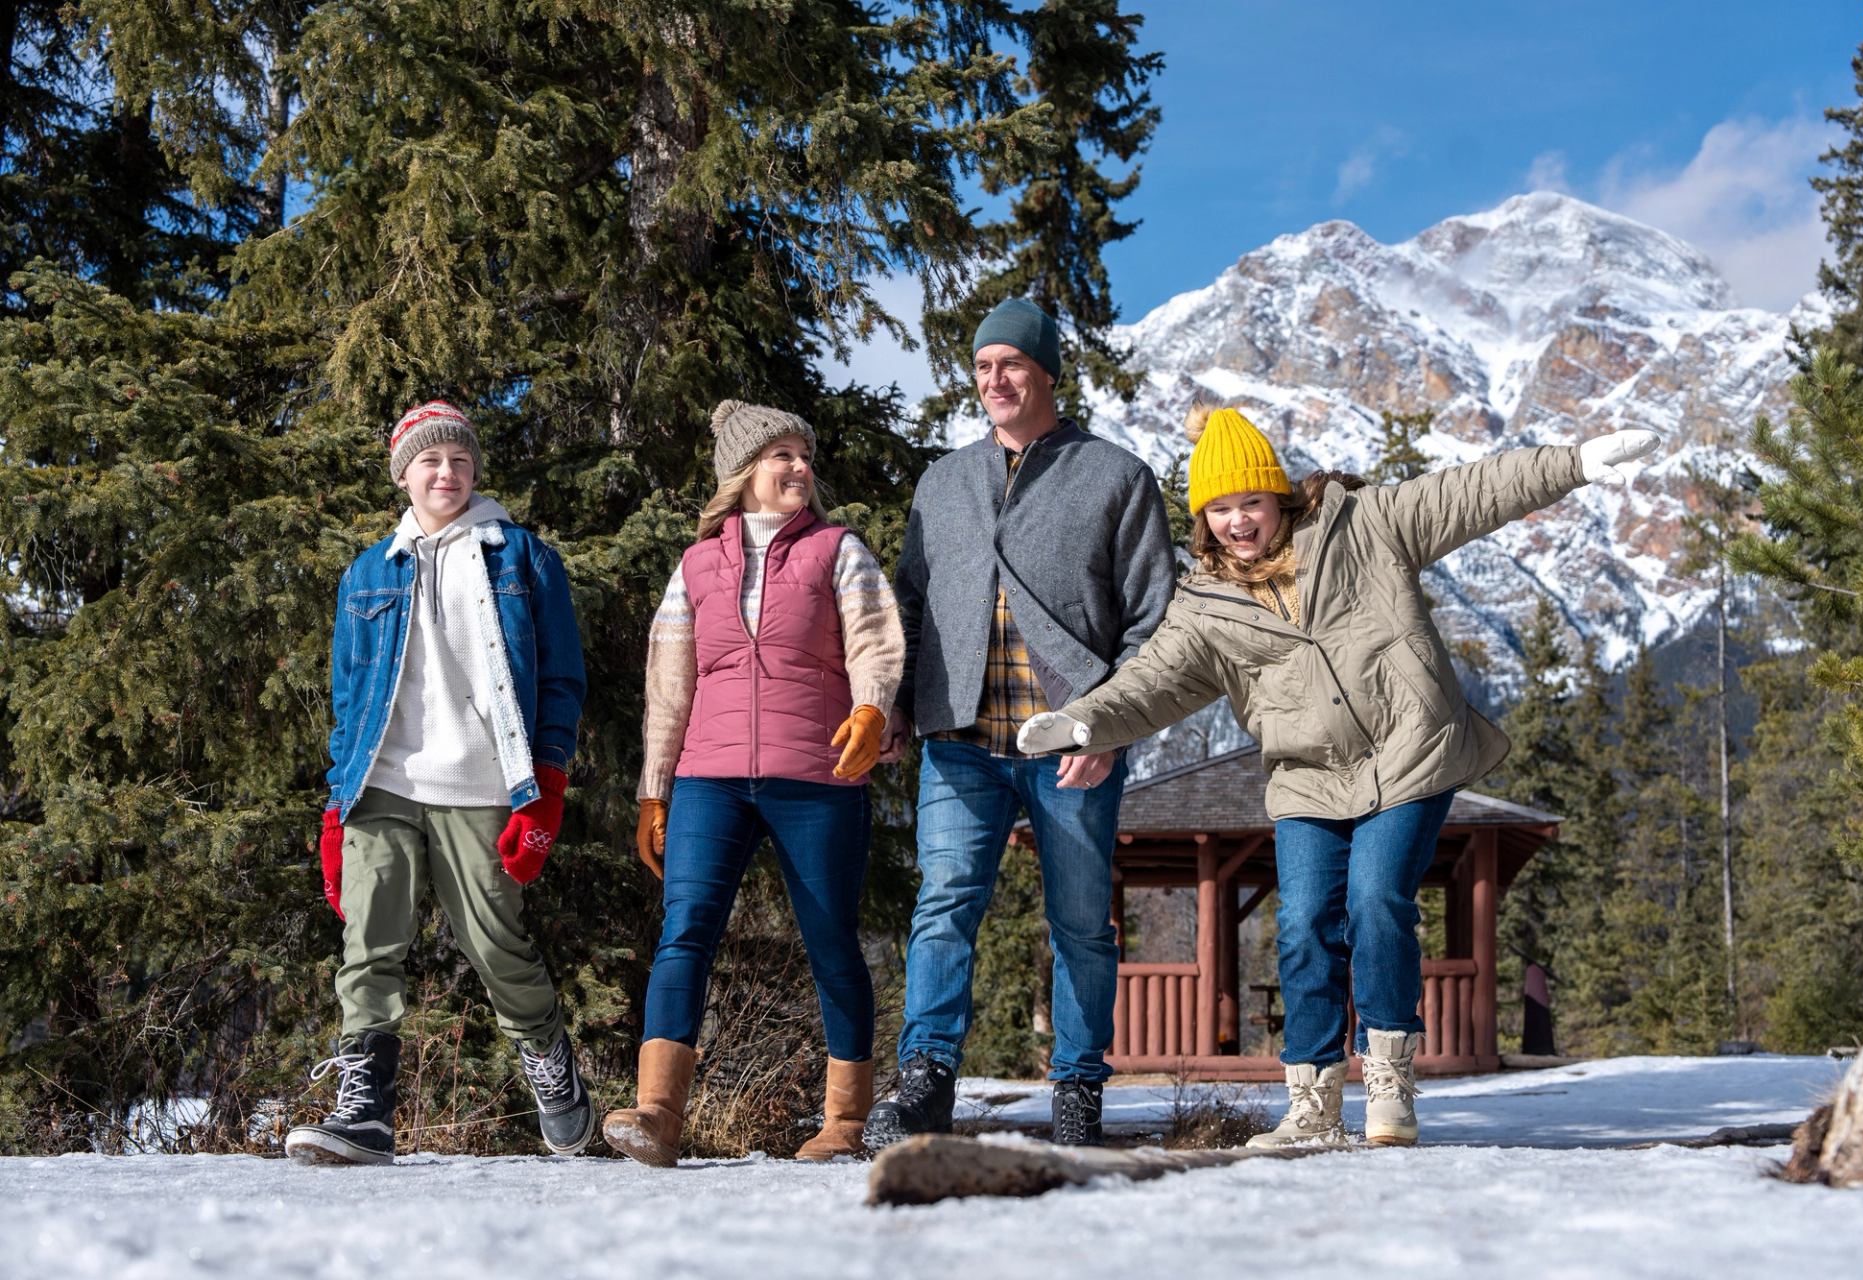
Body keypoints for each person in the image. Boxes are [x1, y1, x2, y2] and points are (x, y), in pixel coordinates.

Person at [1018, 401, 1658, 1147]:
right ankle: (1314, 1103)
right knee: (1301, 924)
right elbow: (1153, 682)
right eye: (1219, 509)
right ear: (1202, 518)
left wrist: (1575, 462)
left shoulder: (1365, 526)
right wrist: (1086, 720)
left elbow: (1474, 491)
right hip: (1308, 777)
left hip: (1409, 751)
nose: (1238, 522)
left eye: (1250, 502)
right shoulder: (1204, 606)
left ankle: (1388, 1079)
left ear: (1278, 496)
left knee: (1377, 897)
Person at [862, 298, 1179, 1150]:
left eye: (1011, 364)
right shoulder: (943, 482)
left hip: (1071, 745)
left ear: (1045, 373)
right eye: (982, 368)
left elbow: (1153, 622)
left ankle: (1077, 1088)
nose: (995, 381)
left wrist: (1112, 727)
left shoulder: (1116, 476)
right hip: (959, 743)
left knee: (1080, 921)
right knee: (943, 907)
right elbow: (913, 606)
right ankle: (925, 1079)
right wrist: (898, 705)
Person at [288, 400, 592, 1166]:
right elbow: (350, 698)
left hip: (482, 780)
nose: (446, 473)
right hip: (382, 782)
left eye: (458, 460)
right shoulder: (368, 571)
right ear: (404, 475)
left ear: (474, 470)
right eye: (429, 461)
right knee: (369, 942)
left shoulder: (522, 556)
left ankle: (550, 1064)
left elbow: (559, 680)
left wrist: (547, 787)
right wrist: (336, 808)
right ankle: (365, 1110)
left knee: (496, 944)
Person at [603, 401, 904, 1166]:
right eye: (782, 456)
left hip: (820, 773)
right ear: (744, 474)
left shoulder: (840, 551)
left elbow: (875, 642)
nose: (800, 467)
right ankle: (658, 1113)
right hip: (710, 777)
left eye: (805, 455)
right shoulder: (696, 564)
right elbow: (669, 686)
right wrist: (654, 788)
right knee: (686, 931)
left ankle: (844, 1122)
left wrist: (871, 710)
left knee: (831, 936)